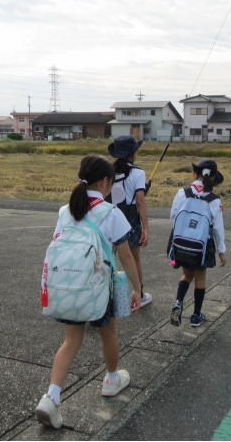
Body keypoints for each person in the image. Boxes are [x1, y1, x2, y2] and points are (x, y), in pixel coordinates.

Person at [35, 155, 142, 429]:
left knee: (70, 341)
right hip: (98, 289)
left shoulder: (65, 211)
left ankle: (52, 396)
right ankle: (111, 379)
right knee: (109, 333)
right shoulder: (111, 212)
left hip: (69, 287)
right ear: (105, 181)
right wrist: (137, 288)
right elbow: (126, 257)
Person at [169, 160, 227, 327]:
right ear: (213, 178)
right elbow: (218, 228)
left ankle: (178, 303)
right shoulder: (214, 200)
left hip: (181, 244)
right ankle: (195, 316)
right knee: (200, 279)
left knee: (187, 275)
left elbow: (173, 217)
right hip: (202, 245)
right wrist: (221, 251)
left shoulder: (182, 193)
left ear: (195, 174)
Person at [108, 135, 152, 307]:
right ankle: (139, 295)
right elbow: (140, 201)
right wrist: (146, 228)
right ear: (132, 153)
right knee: (134, 259)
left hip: (110, 215)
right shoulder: (138, 173)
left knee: (107, 257)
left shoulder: (109, 171)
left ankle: (104, 294)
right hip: (130, 216)